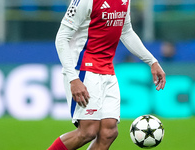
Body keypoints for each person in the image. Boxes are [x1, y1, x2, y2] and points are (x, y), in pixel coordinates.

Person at [48, 0, 166, 149]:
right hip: (83, 69)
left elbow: (126, 31)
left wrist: (152, 61)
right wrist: (73, 78)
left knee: (108, 132)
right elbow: (61, 38)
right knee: (88, 131)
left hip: (108, 70)